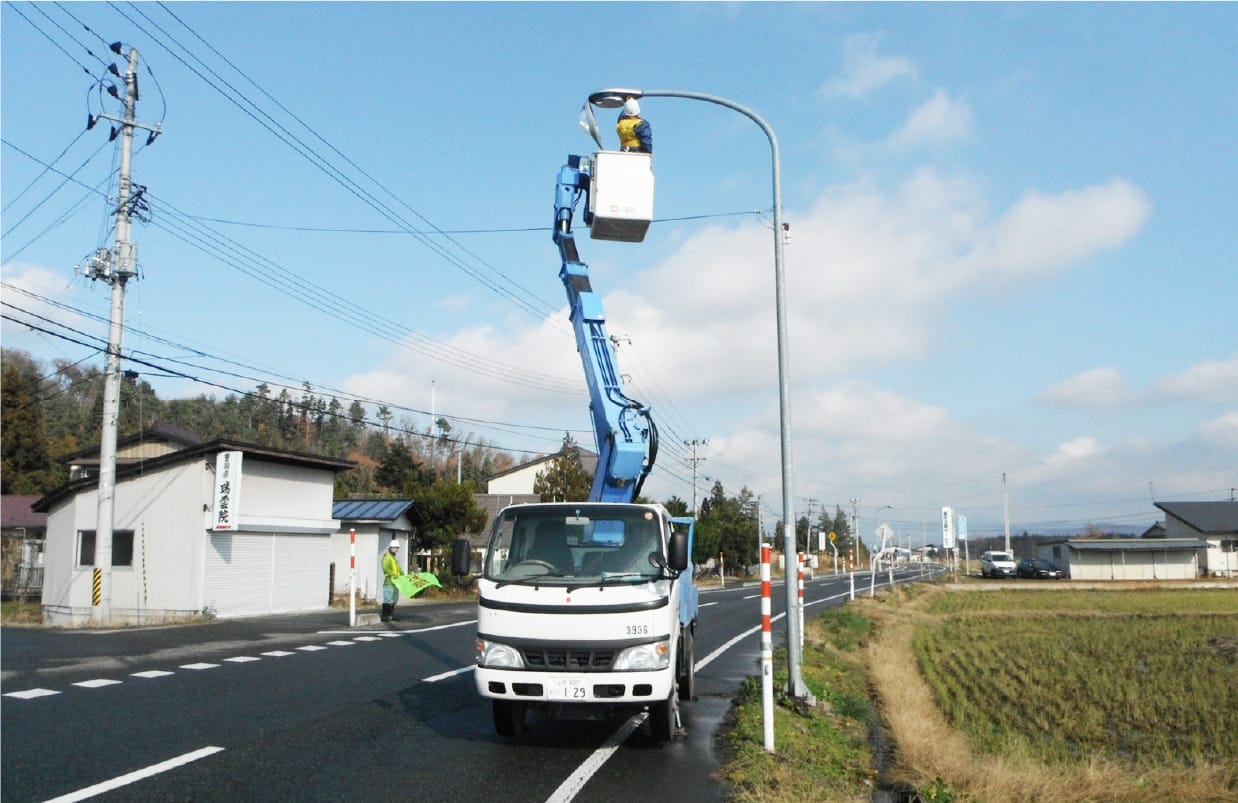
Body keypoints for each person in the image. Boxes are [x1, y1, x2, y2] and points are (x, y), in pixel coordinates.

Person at [381, 539, 403, 622]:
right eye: (394, 547)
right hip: (389, 582)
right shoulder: (387, 557)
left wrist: (403, 576)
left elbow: (399, 570)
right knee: (388, 599)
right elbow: (386, 569)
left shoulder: (394, 559)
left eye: (397, 548)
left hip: (396, 583)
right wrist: (396, 574)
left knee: (394, 599)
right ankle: (385, 616)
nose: (396, 549)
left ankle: (390, 615)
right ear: (390, 548)